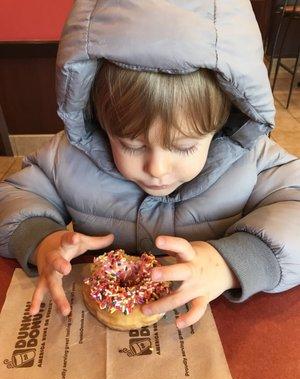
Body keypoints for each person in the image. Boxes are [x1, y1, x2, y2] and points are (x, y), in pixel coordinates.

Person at [0, 0, 299, 329]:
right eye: (131, 144)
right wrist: (41, 240)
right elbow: (14, 194)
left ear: (223, 122)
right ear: (99, 121)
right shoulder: (68, 156)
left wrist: (231, 262)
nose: (156, 169)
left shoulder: (250, 159)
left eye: (184, 146)